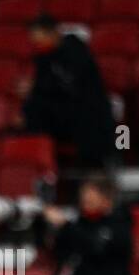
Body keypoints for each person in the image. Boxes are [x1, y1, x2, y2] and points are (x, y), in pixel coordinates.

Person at [20, 14, 115, 168]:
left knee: (88, 123)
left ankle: (93, 171)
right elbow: (42, 88)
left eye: (40, 38)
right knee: (33, 111)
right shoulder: (43, 58)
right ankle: (41, 166)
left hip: (86, 110)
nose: (37, 43)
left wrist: (39, 87)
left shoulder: (76, 50)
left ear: (52, 33)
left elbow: (75, 85)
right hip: (61, 111)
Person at [44, 175, 134, 275]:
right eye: (83, 197)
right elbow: (58, 253)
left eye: (90, 197)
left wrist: (65, 226)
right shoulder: (79, 223)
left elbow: (96, 247)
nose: (85, 200)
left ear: (107, 199)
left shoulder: (119, 223)